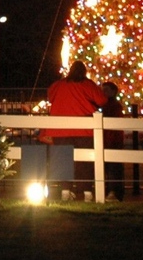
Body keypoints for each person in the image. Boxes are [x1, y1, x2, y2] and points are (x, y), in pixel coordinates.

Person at [41, 61, 108, 196]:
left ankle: (66, 190)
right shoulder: (88, 84)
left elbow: (50, 96)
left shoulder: (59, 85)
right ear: (84, 72)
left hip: (60, 130)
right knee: (85, 162)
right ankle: (87, 191)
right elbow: (102, 100)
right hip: (84, 130)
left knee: (63, 160)